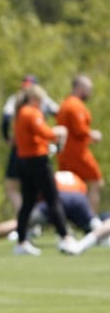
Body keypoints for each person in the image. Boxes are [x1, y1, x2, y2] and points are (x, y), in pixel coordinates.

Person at [12, 85, 77, 256]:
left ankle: (22, 241)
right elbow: (46, 133)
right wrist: (60, 131)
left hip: (24, 161)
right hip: (37, 161)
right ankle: (65, 237)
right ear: (35, 99)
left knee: (28, 202)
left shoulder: (21, 113)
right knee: (53, 199)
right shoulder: (30, 113)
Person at [0, 74, 57, 211]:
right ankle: (33, 218)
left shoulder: (16, 99)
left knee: (15, 185)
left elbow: (6, 119)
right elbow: (58, 112)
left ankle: (30, 219)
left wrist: (7, 137)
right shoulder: (44, 100)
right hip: (40, 147)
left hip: (22, 148)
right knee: (38, 187)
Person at [56, 75, 102, 212]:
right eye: (89, 89)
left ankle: (66, 221)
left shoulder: (65, 103)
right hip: (77, 153)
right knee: (96, 182)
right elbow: (80, 130)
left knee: (70, 187)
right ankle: (91, 219)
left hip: (64, 152)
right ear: (80, 88)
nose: (90, 93)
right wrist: (93, 135)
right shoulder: (74, 105)